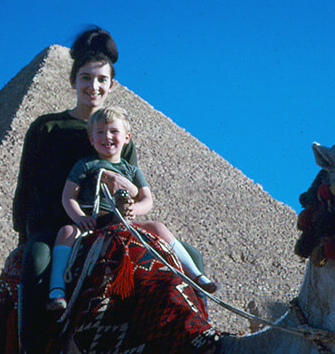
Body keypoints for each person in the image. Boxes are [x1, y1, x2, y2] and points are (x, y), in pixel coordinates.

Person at [14, 27, 139, 353]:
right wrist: (23, 239)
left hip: (108, 228)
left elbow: (136, 189)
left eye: (101, 79)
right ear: (73, 80)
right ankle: (31, 347)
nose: (93, 87)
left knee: (183, 259)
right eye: (86, 78)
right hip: (55, 228)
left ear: (111, 84)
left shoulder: (119, 133)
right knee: (37, 261)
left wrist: (126, 195)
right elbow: (25, 187)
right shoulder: (47, 127)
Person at [46, 106, 219, 310]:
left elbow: (147, 200)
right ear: (91, 139)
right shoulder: (86, 165)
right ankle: (56, 291)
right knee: (66, 232)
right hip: (93, 222)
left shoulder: (132, 171)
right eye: (100, 132)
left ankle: (196, 277)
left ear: (127, 138)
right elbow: (68, 196)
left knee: (157, 227)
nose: (107, 136)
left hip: (123, 221)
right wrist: (79, 217)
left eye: (114, 131)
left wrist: (134, 210)